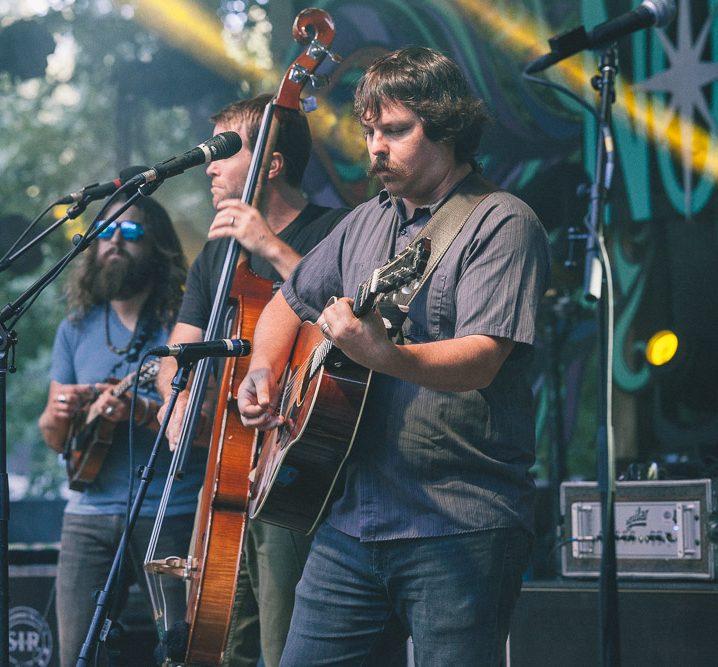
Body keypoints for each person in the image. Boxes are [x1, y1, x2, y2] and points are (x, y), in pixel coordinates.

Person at [237, 46, 552, 665]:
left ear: (448, 127)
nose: (375, 147)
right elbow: (288, 299)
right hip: (350, 520)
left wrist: (383, 355)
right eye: (369, 131)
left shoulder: (501, 223)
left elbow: (484, 357)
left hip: (460, 523)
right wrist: (263, 371)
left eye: (396, 130)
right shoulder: (362, 223)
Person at [155, 93, 348, 667]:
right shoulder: (215, 257)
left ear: (271, 162)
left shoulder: (337, 232)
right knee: (215, 642)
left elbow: (347, 327)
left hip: (291, 465)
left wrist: (271, 248)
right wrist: (178, 396)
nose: (209, 166)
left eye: (224, 151)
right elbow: (178, 353)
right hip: (225, 465)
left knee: (283, 641)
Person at [37, 194, 203, 667]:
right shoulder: (75, 328)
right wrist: (61, 412)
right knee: (76, 655)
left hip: (172, 510)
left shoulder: (183, 327)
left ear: (157, 244)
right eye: (104, 232)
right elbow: (54, 437)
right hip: (89, 512)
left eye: (129, 232)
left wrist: (142, 412)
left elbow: (204, 426)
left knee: (183, 652)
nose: (114, 241)